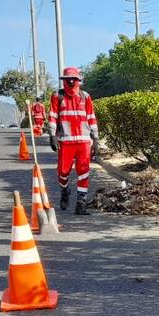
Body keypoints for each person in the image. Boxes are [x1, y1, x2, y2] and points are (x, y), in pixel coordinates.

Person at [48, 67, 99, 216]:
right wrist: (52, 135)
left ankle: (80, 205)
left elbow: (91, 117)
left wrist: (96, 139)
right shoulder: (57, 96)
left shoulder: (85, 96)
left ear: (78, 80)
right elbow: (53, 116)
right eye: (67, 79)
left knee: (84, 172)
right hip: (66, 141)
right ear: (63, 81)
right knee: (63, 172)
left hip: (83, 141)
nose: (71, 81)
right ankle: (65, 190)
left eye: (74, 79)